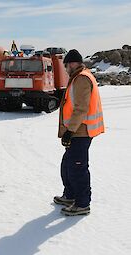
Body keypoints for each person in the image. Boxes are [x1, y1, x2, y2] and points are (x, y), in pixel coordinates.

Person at [54, 49, 104, 216]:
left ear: (72, 63)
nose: (66, 69)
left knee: (77, 168)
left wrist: (70, 131)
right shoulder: (78, 77)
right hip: (77, 131)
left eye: (66, 65)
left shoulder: (81, 79)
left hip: (80, 132)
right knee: (67, 165)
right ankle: (70, 195)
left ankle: (82, 204)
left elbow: (81, 108)